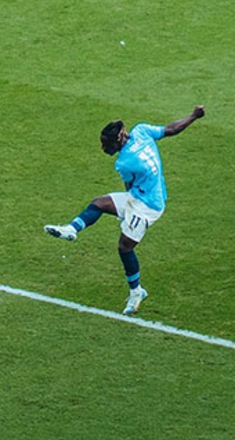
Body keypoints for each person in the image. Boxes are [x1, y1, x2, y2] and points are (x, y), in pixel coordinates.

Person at [44, 105, 206, 315]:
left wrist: (127, 213)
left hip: (147, 206)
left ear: (118, 140)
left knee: (125, 247)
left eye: (106, 144)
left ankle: (137, 292)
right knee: (100, 203)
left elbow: (128, 188)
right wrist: (194, 115)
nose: (104, 149)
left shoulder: (124, 162)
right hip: (145, 196)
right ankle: (72, 229)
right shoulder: (142, 131)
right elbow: (171, 129)